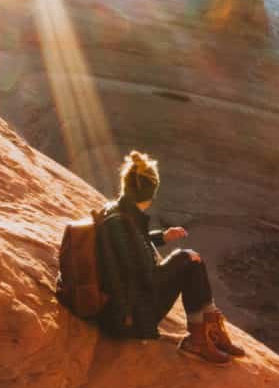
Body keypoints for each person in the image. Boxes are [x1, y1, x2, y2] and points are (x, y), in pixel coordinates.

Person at [89, 150, 243, 364]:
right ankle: (200, 338)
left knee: (192, 261)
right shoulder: (124, 223)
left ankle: (208, 332)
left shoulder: (117, 212)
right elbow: (148, 279)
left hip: (122, 306)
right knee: (189, 261)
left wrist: (162, 237)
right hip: (128, 319)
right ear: (150, 195)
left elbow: (132, 247)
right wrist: (181, 260)